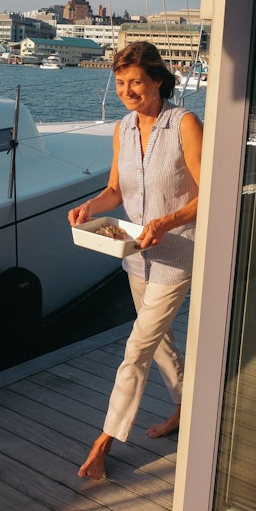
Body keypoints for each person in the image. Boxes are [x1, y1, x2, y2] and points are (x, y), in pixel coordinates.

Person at [68, 41, 202, 480]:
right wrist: (91, 206)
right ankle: (185, 409)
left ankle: (104, 441)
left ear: (158, 80)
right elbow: (115, 190)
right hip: (133, 256)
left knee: (136, 350)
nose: (128, 91)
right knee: (160, 343)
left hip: (176, 254)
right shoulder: (122, 129)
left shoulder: (184, 123)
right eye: (121, 83)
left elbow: (212, 192)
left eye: (136, 82)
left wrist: (167, 222)